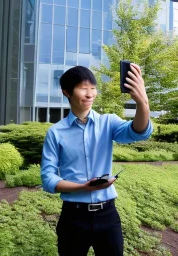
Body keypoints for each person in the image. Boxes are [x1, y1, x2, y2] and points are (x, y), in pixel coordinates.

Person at [40, 64, 153, 256]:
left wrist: (142, 102)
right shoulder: (55, 132)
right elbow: (48, 179)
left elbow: (138, 132)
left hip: (108, 216)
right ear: (67, 92)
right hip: (73, 218)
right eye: (83, 88)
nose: (90, 93)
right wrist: (84, 187)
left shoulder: (108, 122)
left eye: (93, 88)